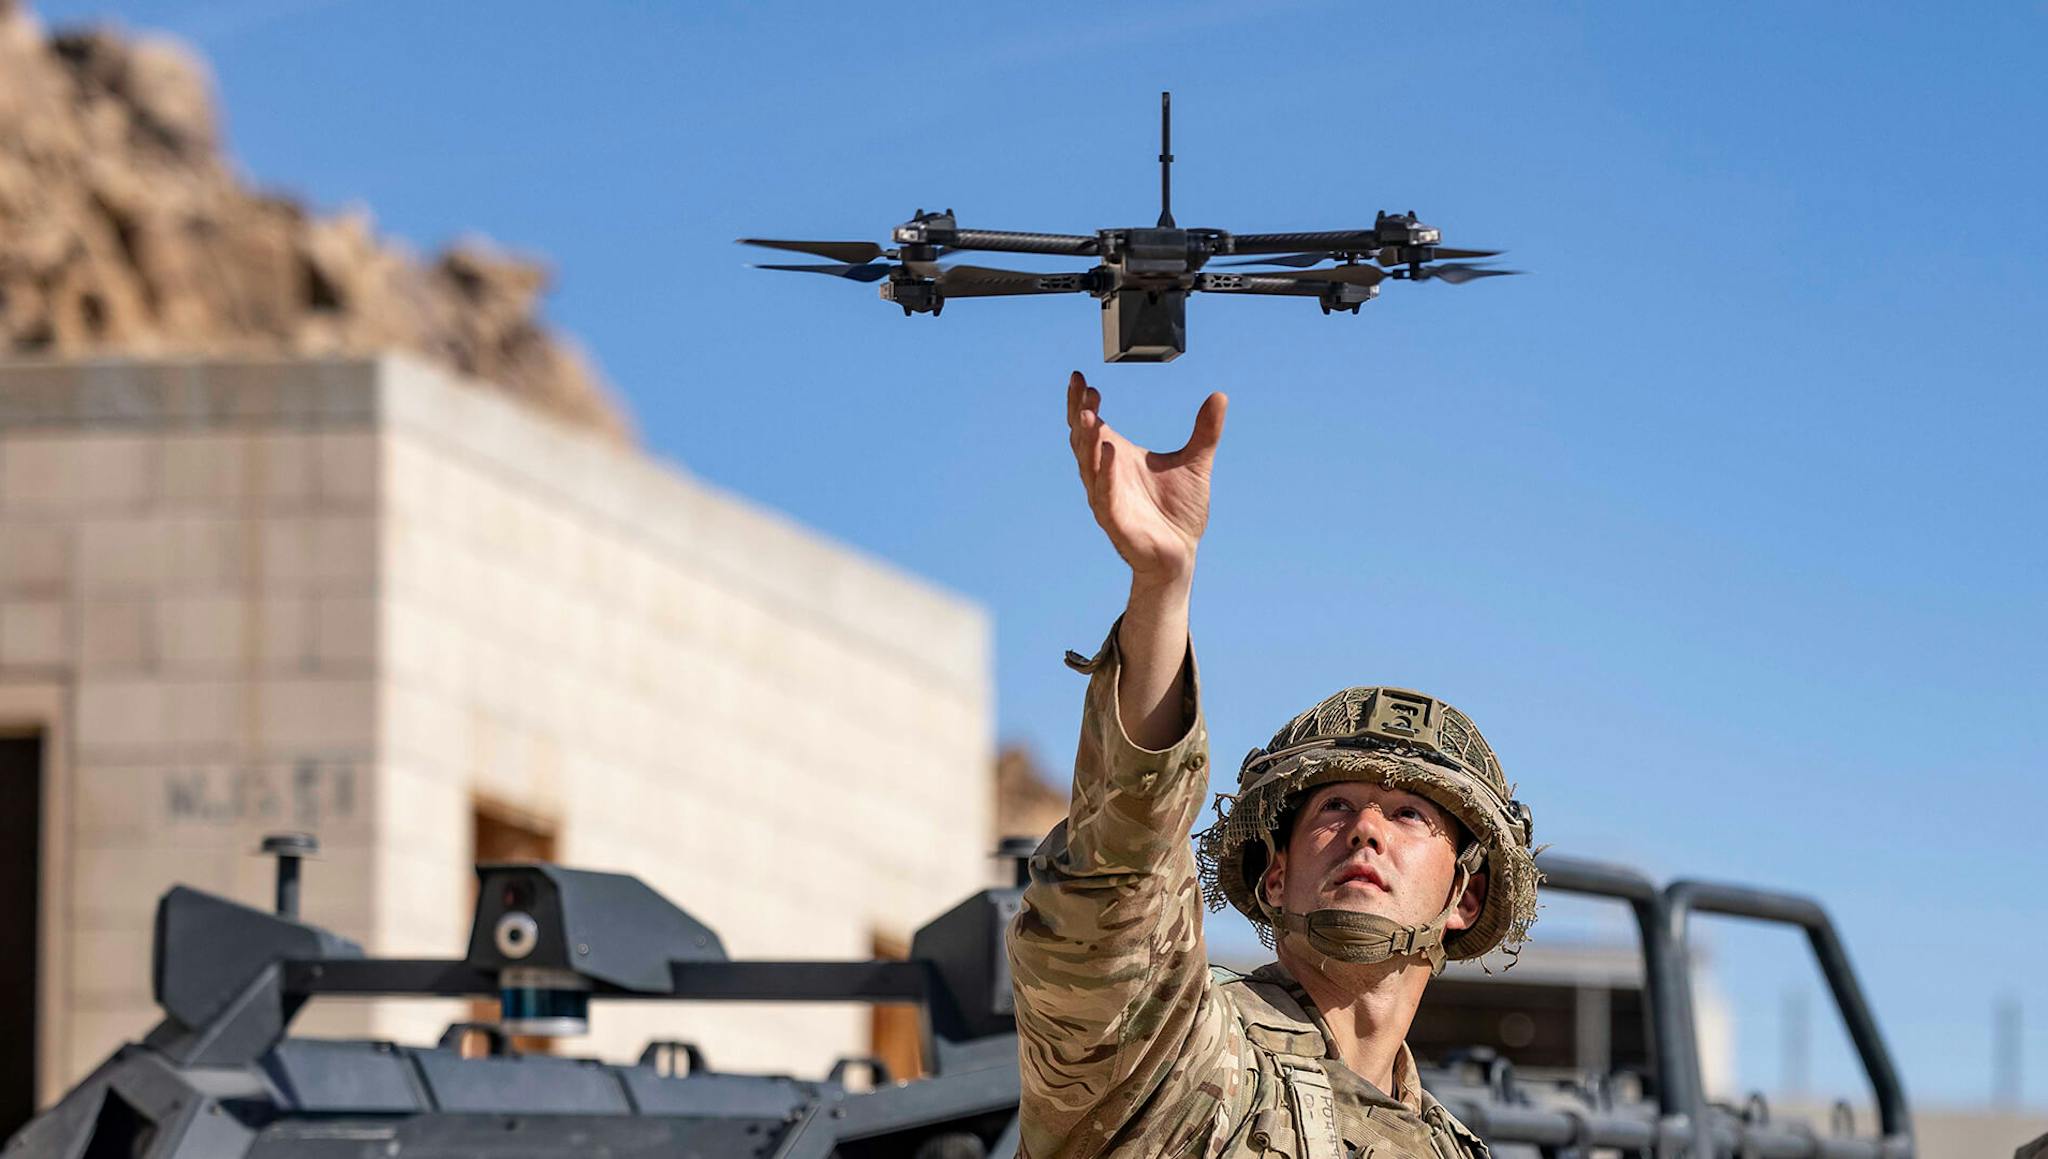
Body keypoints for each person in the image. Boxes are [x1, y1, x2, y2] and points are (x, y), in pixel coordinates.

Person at [1008, 372, 1540, 1158]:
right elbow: (1115, 893)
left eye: (1408, 814)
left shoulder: (1453, 1149)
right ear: (1272, 877)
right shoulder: (1190, 1060)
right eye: (1332, 808)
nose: (1364, 828)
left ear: (1466, 893)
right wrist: (1161, 587)